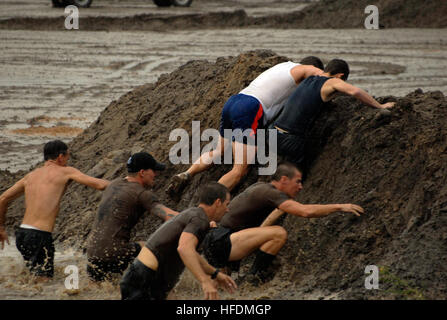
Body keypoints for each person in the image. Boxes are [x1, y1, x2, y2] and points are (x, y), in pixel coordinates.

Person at [166, 56, 325, 195]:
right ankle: (209, 204)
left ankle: (186, 174)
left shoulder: (283, 66)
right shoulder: (301, 70)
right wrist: (330, 79)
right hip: (251, 108)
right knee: (240, 170)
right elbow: (312, 72)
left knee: (220, 151)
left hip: (235, 101)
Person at [202, 162, 364, 285]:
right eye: (298, 182)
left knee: (223, 290)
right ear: (284, 180)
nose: (300, 187)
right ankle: (253, 278)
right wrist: (341, 206)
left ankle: (243, 279)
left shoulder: (263, 188)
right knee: (279, 233)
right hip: (221, 242)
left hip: (218, 241)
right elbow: (305, 212)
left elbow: (264, 224)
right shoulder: (271, 193)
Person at [0, 140, 109, 279]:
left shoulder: (30, 176)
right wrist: (124, 181)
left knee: (31, 279)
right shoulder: (65, 171)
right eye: (67, 156)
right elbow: (99, 185)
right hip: (40, 235)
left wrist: (1, 228)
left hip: (22, 235)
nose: (68, 160)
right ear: (60, 157)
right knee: (43, 282)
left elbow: (2, 199)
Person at [272, 58, 395, 173]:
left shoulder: (308, 79)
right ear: (340, 76)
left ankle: (262, 185)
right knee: (294, 179)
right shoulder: (332, 82)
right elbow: (355, 91)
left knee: (265, 173)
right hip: (290, 141)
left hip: (270, 132)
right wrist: (380, 106)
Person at [120, 182, 237, 300]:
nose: (227, 210)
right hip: (144, 279)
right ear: (217, 202)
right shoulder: (199, 219)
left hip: (150, 279)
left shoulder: (195, 215)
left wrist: (215, 274)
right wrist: (205, 281)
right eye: (227, 204)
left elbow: (191, 254)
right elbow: (184, 249)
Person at [86, 152, 179, 282]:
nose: (156, 174)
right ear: (142, 172)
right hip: (113, 253)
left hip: (91, 253)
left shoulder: (114, 184)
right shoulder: (141, 193)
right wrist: (200, 218)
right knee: (151, 248)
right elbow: (170, 217)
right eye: (153, 170)